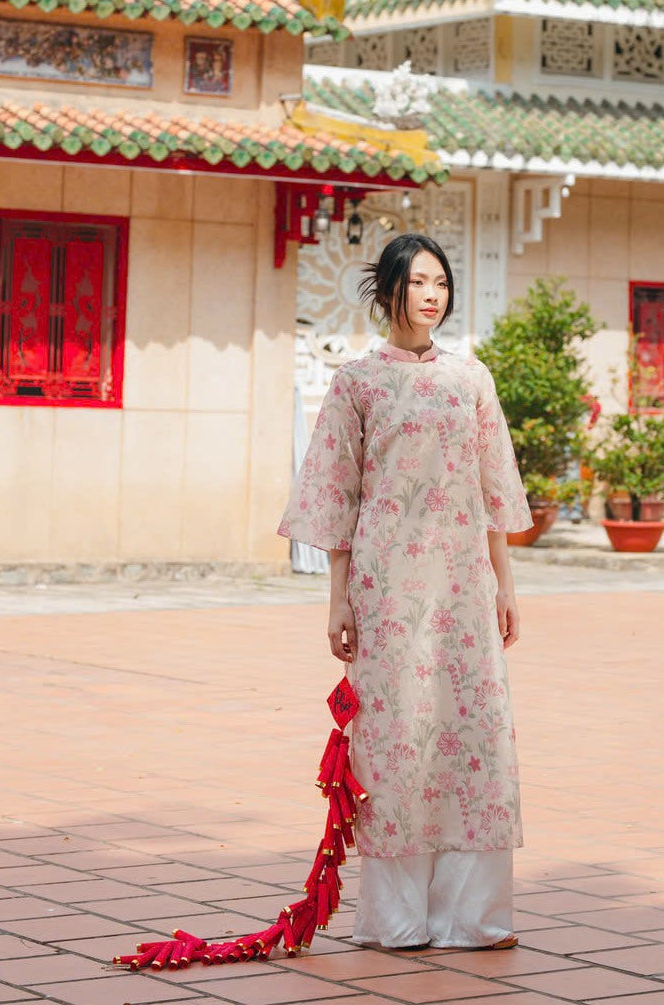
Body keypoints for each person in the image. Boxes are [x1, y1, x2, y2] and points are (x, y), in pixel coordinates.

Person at [278, 233, 532, 950]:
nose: (432, 295)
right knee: (395, 741)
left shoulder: (470, 381)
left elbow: (493, 489)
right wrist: (338, 598)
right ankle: (398, 920)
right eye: (418, 282)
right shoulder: (357, 384)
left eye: (441, 284)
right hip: (387, 591)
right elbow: (336, 495)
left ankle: (473, 918)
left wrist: (505, 586)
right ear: (387, 289)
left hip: (460, 589)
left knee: (470, 734)